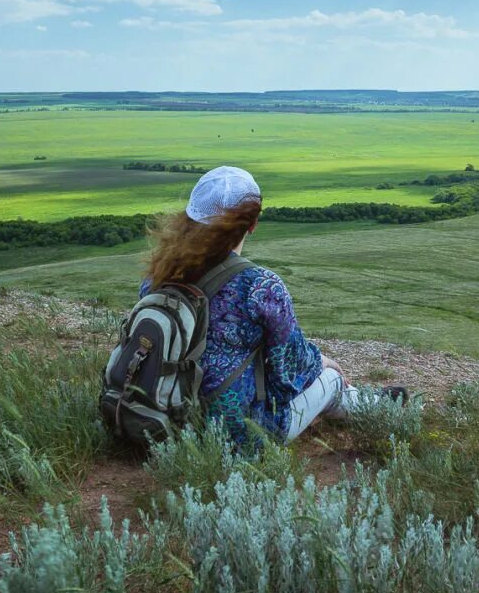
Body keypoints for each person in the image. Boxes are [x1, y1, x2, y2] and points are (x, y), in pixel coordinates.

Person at [141, 166, 405, 447]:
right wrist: (325, 361)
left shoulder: (158, 276)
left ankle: (368, 400)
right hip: (237, 435)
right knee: (330, 380)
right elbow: (290, 367)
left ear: (191, 216)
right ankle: (377, 407)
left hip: (158, 417)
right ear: (252, 224)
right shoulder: (260, 285)